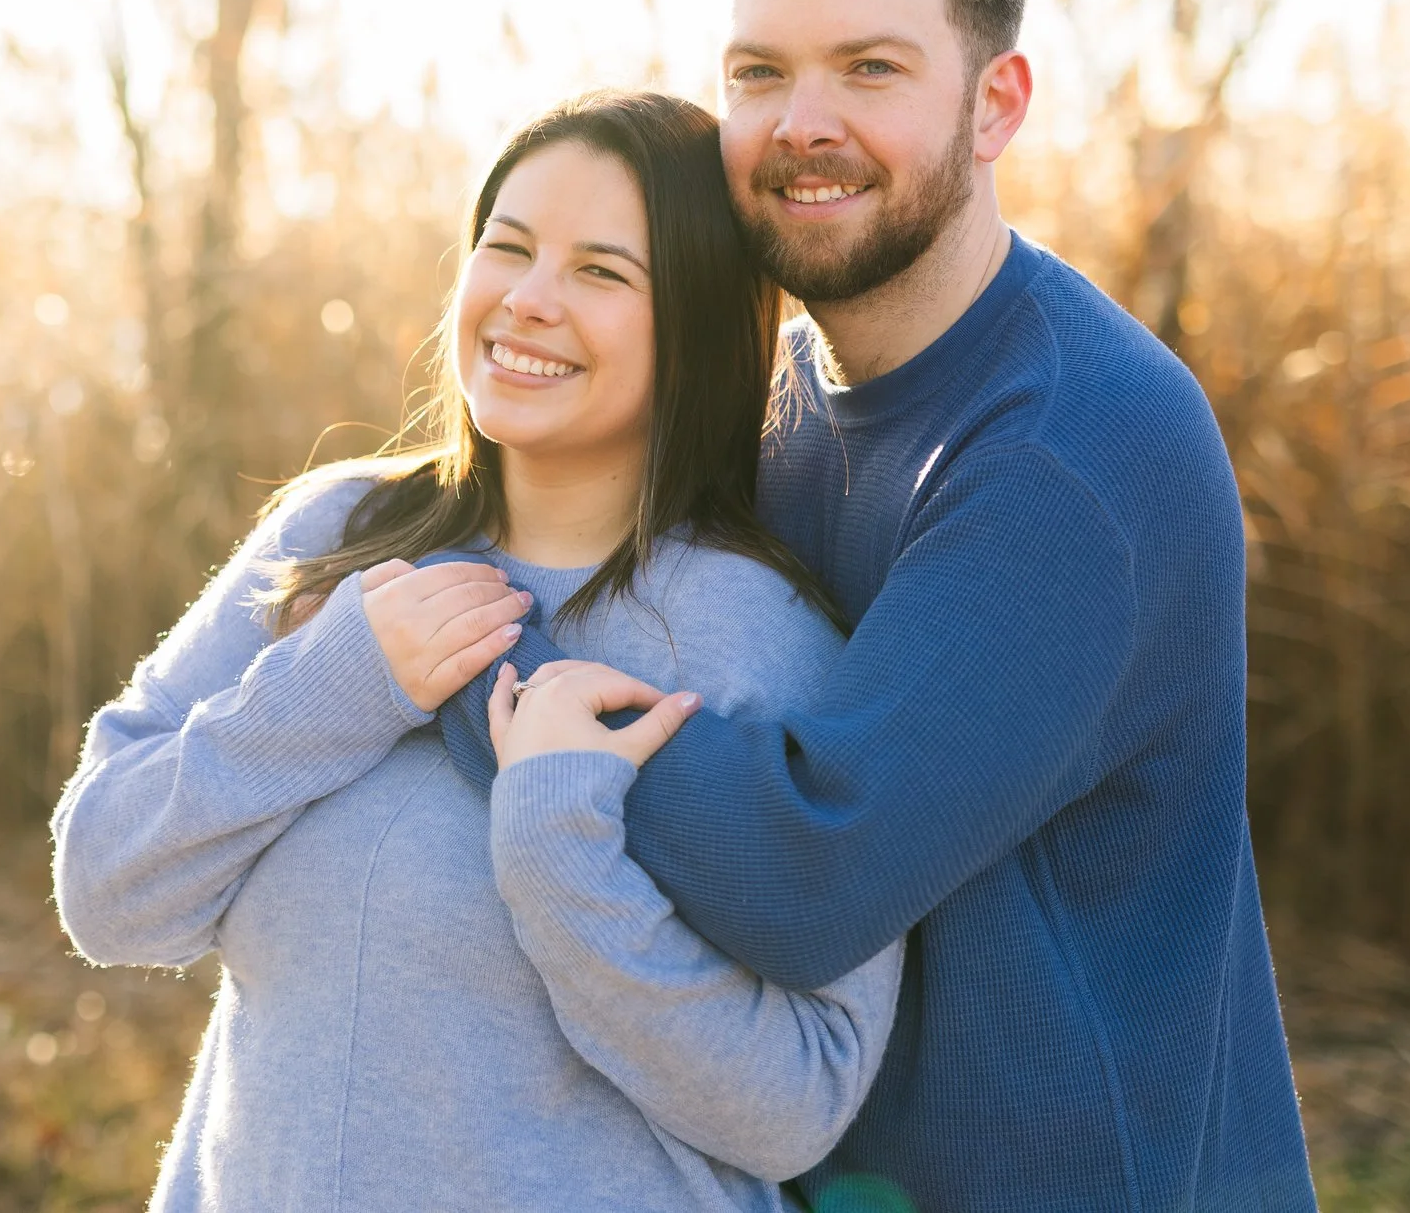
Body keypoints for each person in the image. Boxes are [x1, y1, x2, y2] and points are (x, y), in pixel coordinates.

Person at [513, 0, 1315, 1211]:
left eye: (869, 69)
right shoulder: (786, 403)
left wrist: (477, 660)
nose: (800, 122)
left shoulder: (1071, 446)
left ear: (996, 103)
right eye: (758, 73)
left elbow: (807, 863)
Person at [51, 90, 902, 1211]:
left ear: (695, 323)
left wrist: (561, 856)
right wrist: (334, 684)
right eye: (507, 247)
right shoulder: (335, 538)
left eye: (602, 272)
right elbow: (106, 887)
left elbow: (795, 1104)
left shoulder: (758, 638)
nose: (528, 300)